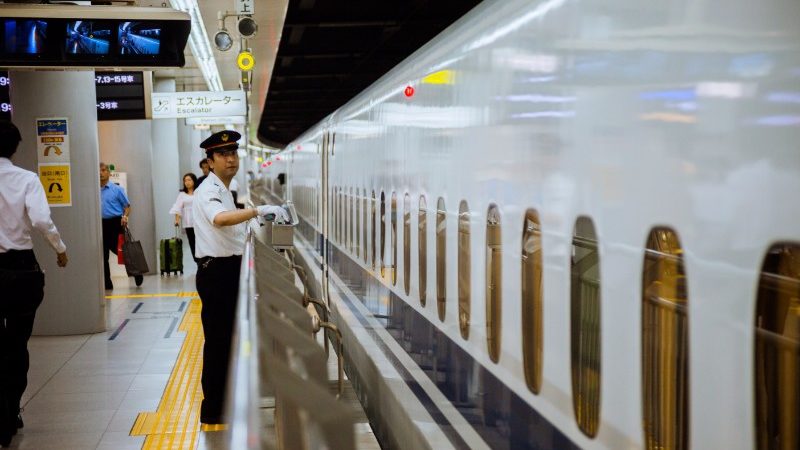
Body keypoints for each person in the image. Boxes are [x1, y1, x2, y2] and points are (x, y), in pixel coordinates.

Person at [193, 130, 287, 425]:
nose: (230, 158)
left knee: (225, 341)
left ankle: (223, 404)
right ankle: (214, 409)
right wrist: (257, 210)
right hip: (217, 274)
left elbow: (230, 229)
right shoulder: (209, 190)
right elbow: (219, 219)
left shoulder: (223, 189)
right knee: (219, 341)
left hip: (227, 271)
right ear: (209, 161)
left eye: (233, 152)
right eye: (222, 154)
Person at [0, 121, 68, 447]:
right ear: (15, 146)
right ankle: (9, 411)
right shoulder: (27, 179)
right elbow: (41, 219)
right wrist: (60, 248)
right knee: (16, 344)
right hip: (20, 271)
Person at [100, 162, 141, 289]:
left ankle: (137, 272)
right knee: (103, 254)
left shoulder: (116, 189)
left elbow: (127, 207)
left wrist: (125, 216)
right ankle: (107, 283)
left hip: (115, 222)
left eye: (103, 170)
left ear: (109, 173)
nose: (100, 173)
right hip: (100, 224)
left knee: (122, 251)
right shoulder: (93, 190)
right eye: (98, 171)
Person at [169, 173, 198, 262]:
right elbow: (178, 208)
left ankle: (204, 261)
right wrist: (177, 220)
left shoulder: (199, 192)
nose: (187, 182)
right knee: (192, 243)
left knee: (201, 243)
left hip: (199, 221)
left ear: (194, 181)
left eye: (189, 180)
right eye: (185, 180)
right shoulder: (182, 194)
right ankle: (197, 262)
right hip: (188, 222)